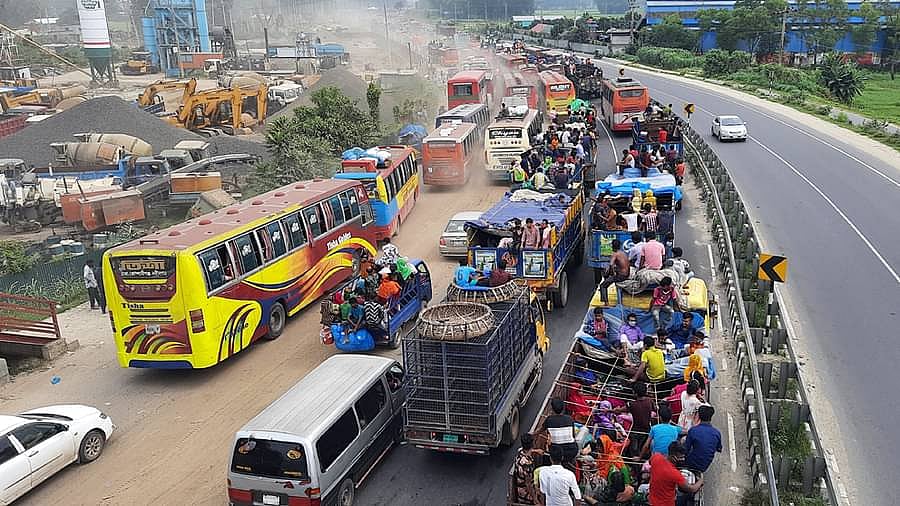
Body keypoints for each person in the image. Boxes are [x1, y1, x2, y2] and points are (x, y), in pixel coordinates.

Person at [648, 442, 704, 506]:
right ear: (673, 457)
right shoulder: (675, 474)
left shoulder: (656, 457)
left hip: (652, 500)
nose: (683, 459)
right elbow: (692, 489)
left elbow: (650, 461)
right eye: (681, 457)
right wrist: (700, 480)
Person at [684, 404, 722, 473]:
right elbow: (719, 448)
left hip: (690, 463)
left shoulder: (693, 430)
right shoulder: (717, 433)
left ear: (699, 416)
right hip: (705, 465)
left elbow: (686, 449)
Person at [543, 398, 579, 463]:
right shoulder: (570, 419)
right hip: (572, 451)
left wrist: (532, 434)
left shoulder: (549, 420)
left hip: (557, 453)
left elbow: (540, 430)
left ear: (552, 409)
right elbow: (573, 436)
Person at [598, 239, 630, 305]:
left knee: (603, 285)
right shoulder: (623, 253)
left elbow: (611, 265)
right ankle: (607, 279)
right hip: (626, 274)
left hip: (621, 276)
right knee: (607, 272)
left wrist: (612, 273)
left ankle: (606, 302)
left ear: (612, 246)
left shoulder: (615, 254)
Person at [628, 381, 656, 456]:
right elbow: (656, 409)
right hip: (647, 429)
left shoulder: (632, 404)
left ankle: (635, 462)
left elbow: (620, 410)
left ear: (635, 393)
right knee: (645, 447)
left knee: (634, 450)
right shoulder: (650, 401)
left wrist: (610, 410)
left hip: (636, 430)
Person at [514, 433, 541, 504]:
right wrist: (535, 500)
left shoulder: (519, 452)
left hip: (519, 488)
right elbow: (528, 485)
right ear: (532, 444)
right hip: (525, 494)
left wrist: (536, 451)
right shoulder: (528, 465)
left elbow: (527, 451)